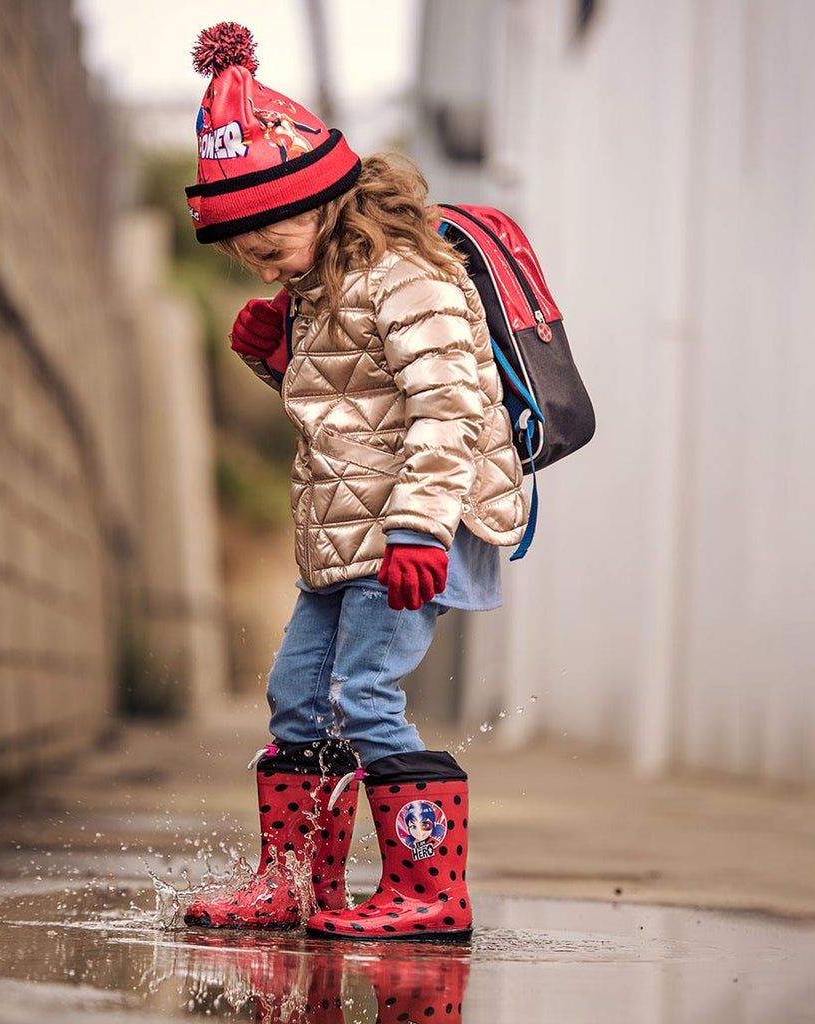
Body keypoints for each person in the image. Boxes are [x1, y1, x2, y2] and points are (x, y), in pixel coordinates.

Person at [182, 22, 528, 940]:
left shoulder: (404, 276)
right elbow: (354, 414)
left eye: (271, 235)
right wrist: (278, 358)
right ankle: (294, 884)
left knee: (360, 698)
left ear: (325, 201)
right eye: (244, 249)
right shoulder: (321, 290)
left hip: (416, 528)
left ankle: (430, 889)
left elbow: (448, 407)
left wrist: (420, 528)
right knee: (299, 695)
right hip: (348, 533)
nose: (260, 258)